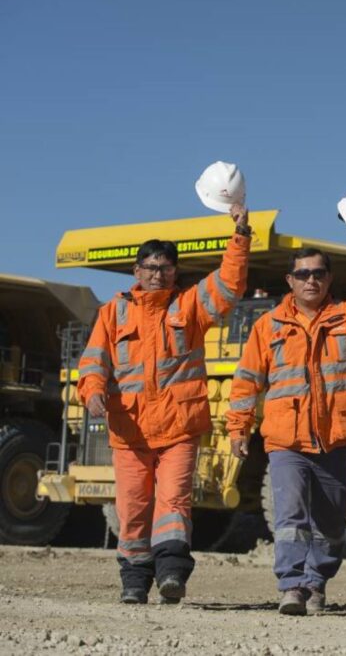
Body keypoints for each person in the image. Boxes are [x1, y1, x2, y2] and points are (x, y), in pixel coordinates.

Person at [79, 203, 251, 604]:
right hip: (130, 431)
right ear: (136, 271)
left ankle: (172, 572)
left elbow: (229, 285)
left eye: (166, 268)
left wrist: (240, 237)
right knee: (133, 509)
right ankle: (135, 582)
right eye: (151, 267)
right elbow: (93, 361)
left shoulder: (189, 306)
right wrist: (92, 393)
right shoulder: (113, 312)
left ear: (175, 272)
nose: (158, 274)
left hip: (178, 428)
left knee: (173, 504)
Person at [225, 236, 346, 615]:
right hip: (285, 440)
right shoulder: (267, 326)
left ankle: (316, 581)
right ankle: (290, 586)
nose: (311, 280)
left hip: (334, 440)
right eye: (302, 274)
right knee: (290, 512)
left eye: (318, 273)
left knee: (331, 520)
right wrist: (238, 428)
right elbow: (246, 382)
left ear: (328, 278)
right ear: (290, 281)